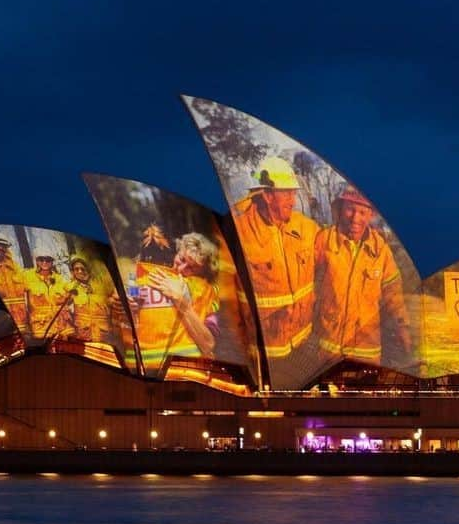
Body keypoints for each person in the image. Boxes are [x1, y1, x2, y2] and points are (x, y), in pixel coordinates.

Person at [232, 156, 319, 384]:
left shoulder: (306, 228)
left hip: (303, 344)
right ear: (268, 196)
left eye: (293, 193)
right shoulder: (239, 234)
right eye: (287, 193)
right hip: (264, 354)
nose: (293, 200)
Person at [314, 184, 411, 368]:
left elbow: (394, 294)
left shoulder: (380, 250)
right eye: (350, 209)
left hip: (366, 352)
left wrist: (402, 327)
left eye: (362, 212)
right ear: (341, 209)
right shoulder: (323, 240)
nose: (355, 218)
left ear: (371, 215)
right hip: (328, 352)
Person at [133, 229, 220, 373]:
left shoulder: (205, 290)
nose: (181, 268)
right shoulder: (151, 271)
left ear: (203, 274)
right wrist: (129, 299)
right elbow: (132, 283)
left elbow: (208, 344)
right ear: (177, 251)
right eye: (182, 259)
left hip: (184, 372)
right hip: (141, 368)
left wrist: (180, 300)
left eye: (191, 268)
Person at [21, 252, 73, 342]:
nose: (44, 262)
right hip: (40, 328)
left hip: (61, 328)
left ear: (52, 262)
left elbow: (72, 297)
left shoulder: (60, 279)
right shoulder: (28, 277)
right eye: (41, 259)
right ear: (37, 261)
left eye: (48, 260)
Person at [66, 255, 116, 345]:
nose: (80, 271)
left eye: (83, 268)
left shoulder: (103, 285)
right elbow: (61, 310)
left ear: (89, 269)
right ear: (73, 272)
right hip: (83, 338)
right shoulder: (69, 287)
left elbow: (116, 305)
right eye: (76, 269)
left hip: (104, 337)